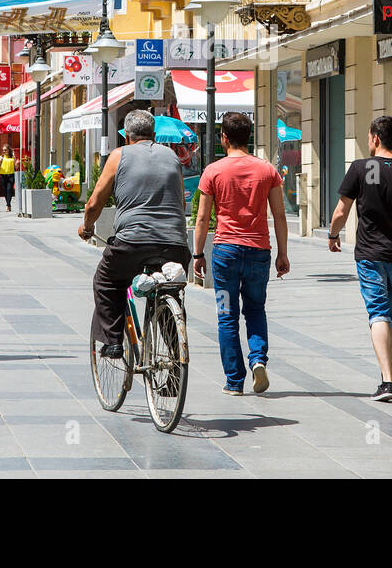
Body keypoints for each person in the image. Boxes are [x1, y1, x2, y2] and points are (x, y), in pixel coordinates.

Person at [327, 115, 392, 402]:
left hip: (370, 255)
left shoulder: (360, 168)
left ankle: (386, 381)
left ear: (374, 138)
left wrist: (333, 235)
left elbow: (341, 211)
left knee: (378, 313)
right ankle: (390, 369)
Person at [80, 110, 190, 360]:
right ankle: (175, 358)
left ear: (127, 136)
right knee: (168, 291)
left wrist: (86, 227)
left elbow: (95, 203)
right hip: (175, 245)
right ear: (154, 134)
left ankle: (113, 341)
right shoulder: (171, 156)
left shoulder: (119, 155)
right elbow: (181, 203)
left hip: (132, 242)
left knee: (107, 281)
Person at [192, 112, 288, 395]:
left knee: (227, 315)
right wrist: (283, 254)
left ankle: (234, 381)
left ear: (223, 138)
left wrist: (198, 254)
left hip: (225, 254)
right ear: (250, 136)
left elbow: (201, 218)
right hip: (259, 251)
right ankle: (258, 359)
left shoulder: (213, 171)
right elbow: (280, 216)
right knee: (256, 309)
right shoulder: (267, 170)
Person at [0, 147, 16, 213]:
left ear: (8, 150)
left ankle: (8, 205)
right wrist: (0, 162)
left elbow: (15, 167)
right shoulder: (1, 157)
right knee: (5, 190)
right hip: (3, 175)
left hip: (11, 175)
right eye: (3, 150)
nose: (4, 151)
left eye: (5, 150)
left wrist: (17, 163)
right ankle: (8, 203)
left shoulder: (13, 157)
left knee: (9, 189)